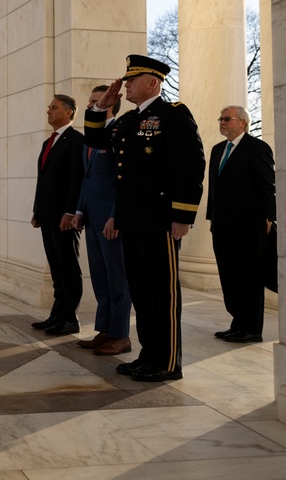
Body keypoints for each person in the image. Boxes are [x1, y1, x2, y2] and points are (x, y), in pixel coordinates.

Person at [84, 55, 204, 382]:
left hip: (161, 221)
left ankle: (166, 362)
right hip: (132, 221)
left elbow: (190, 166)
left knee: (162, 294)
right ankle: (147, 356)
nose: (126, 85)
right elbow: (95, 140)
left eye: (132, 79)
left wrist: (183, 215)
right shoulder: (127, 121)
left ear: (152, 82)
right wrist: (101, 108)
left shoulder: (172, 115)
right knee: (141, 292)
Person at [207, 105, 275, 343]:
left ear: (243, 123)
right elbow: (214, 189)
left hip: (250, 224)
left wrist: (269, 217)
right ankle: (238, 323)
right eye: (220, 118)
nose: (222, 122)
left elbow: (267, 185)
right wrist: (211, 217)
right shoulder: (217, 150)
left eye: (227, 119)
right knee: (229, 276)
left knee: (249, 277)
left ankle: (252, 329)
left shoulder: (257, 148)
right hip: (221, 225)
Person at [73, 86, 132, 356]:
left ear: (110, 104)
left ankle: (121, 336)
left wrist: (115, 216)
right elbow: (87, 180)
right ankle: (105, 330)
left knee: (117, 279)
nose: (90, 106)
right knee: (100, 278)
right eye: (90, 102)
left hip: (111, 220)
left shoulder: (120, 133)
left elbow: (123, 183)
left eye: (96, 102)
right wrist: (80, 211)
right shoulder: (92, 137)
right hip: (92, 218)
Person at [30, 94, 85, 336]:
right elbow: (43, 181)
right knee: (55, 267)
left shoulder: (76, 140)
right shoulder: (47, 143)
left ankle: (70, 318)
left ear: (69, 112)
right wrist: (37, 210)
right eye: (48, 107)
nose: (48, 111)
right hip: (48, 215)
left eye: (54, 108)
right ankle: (57, 314)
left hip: (65, 218)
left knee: (68, 267)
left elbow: (76, 179)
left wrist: (70, 212)